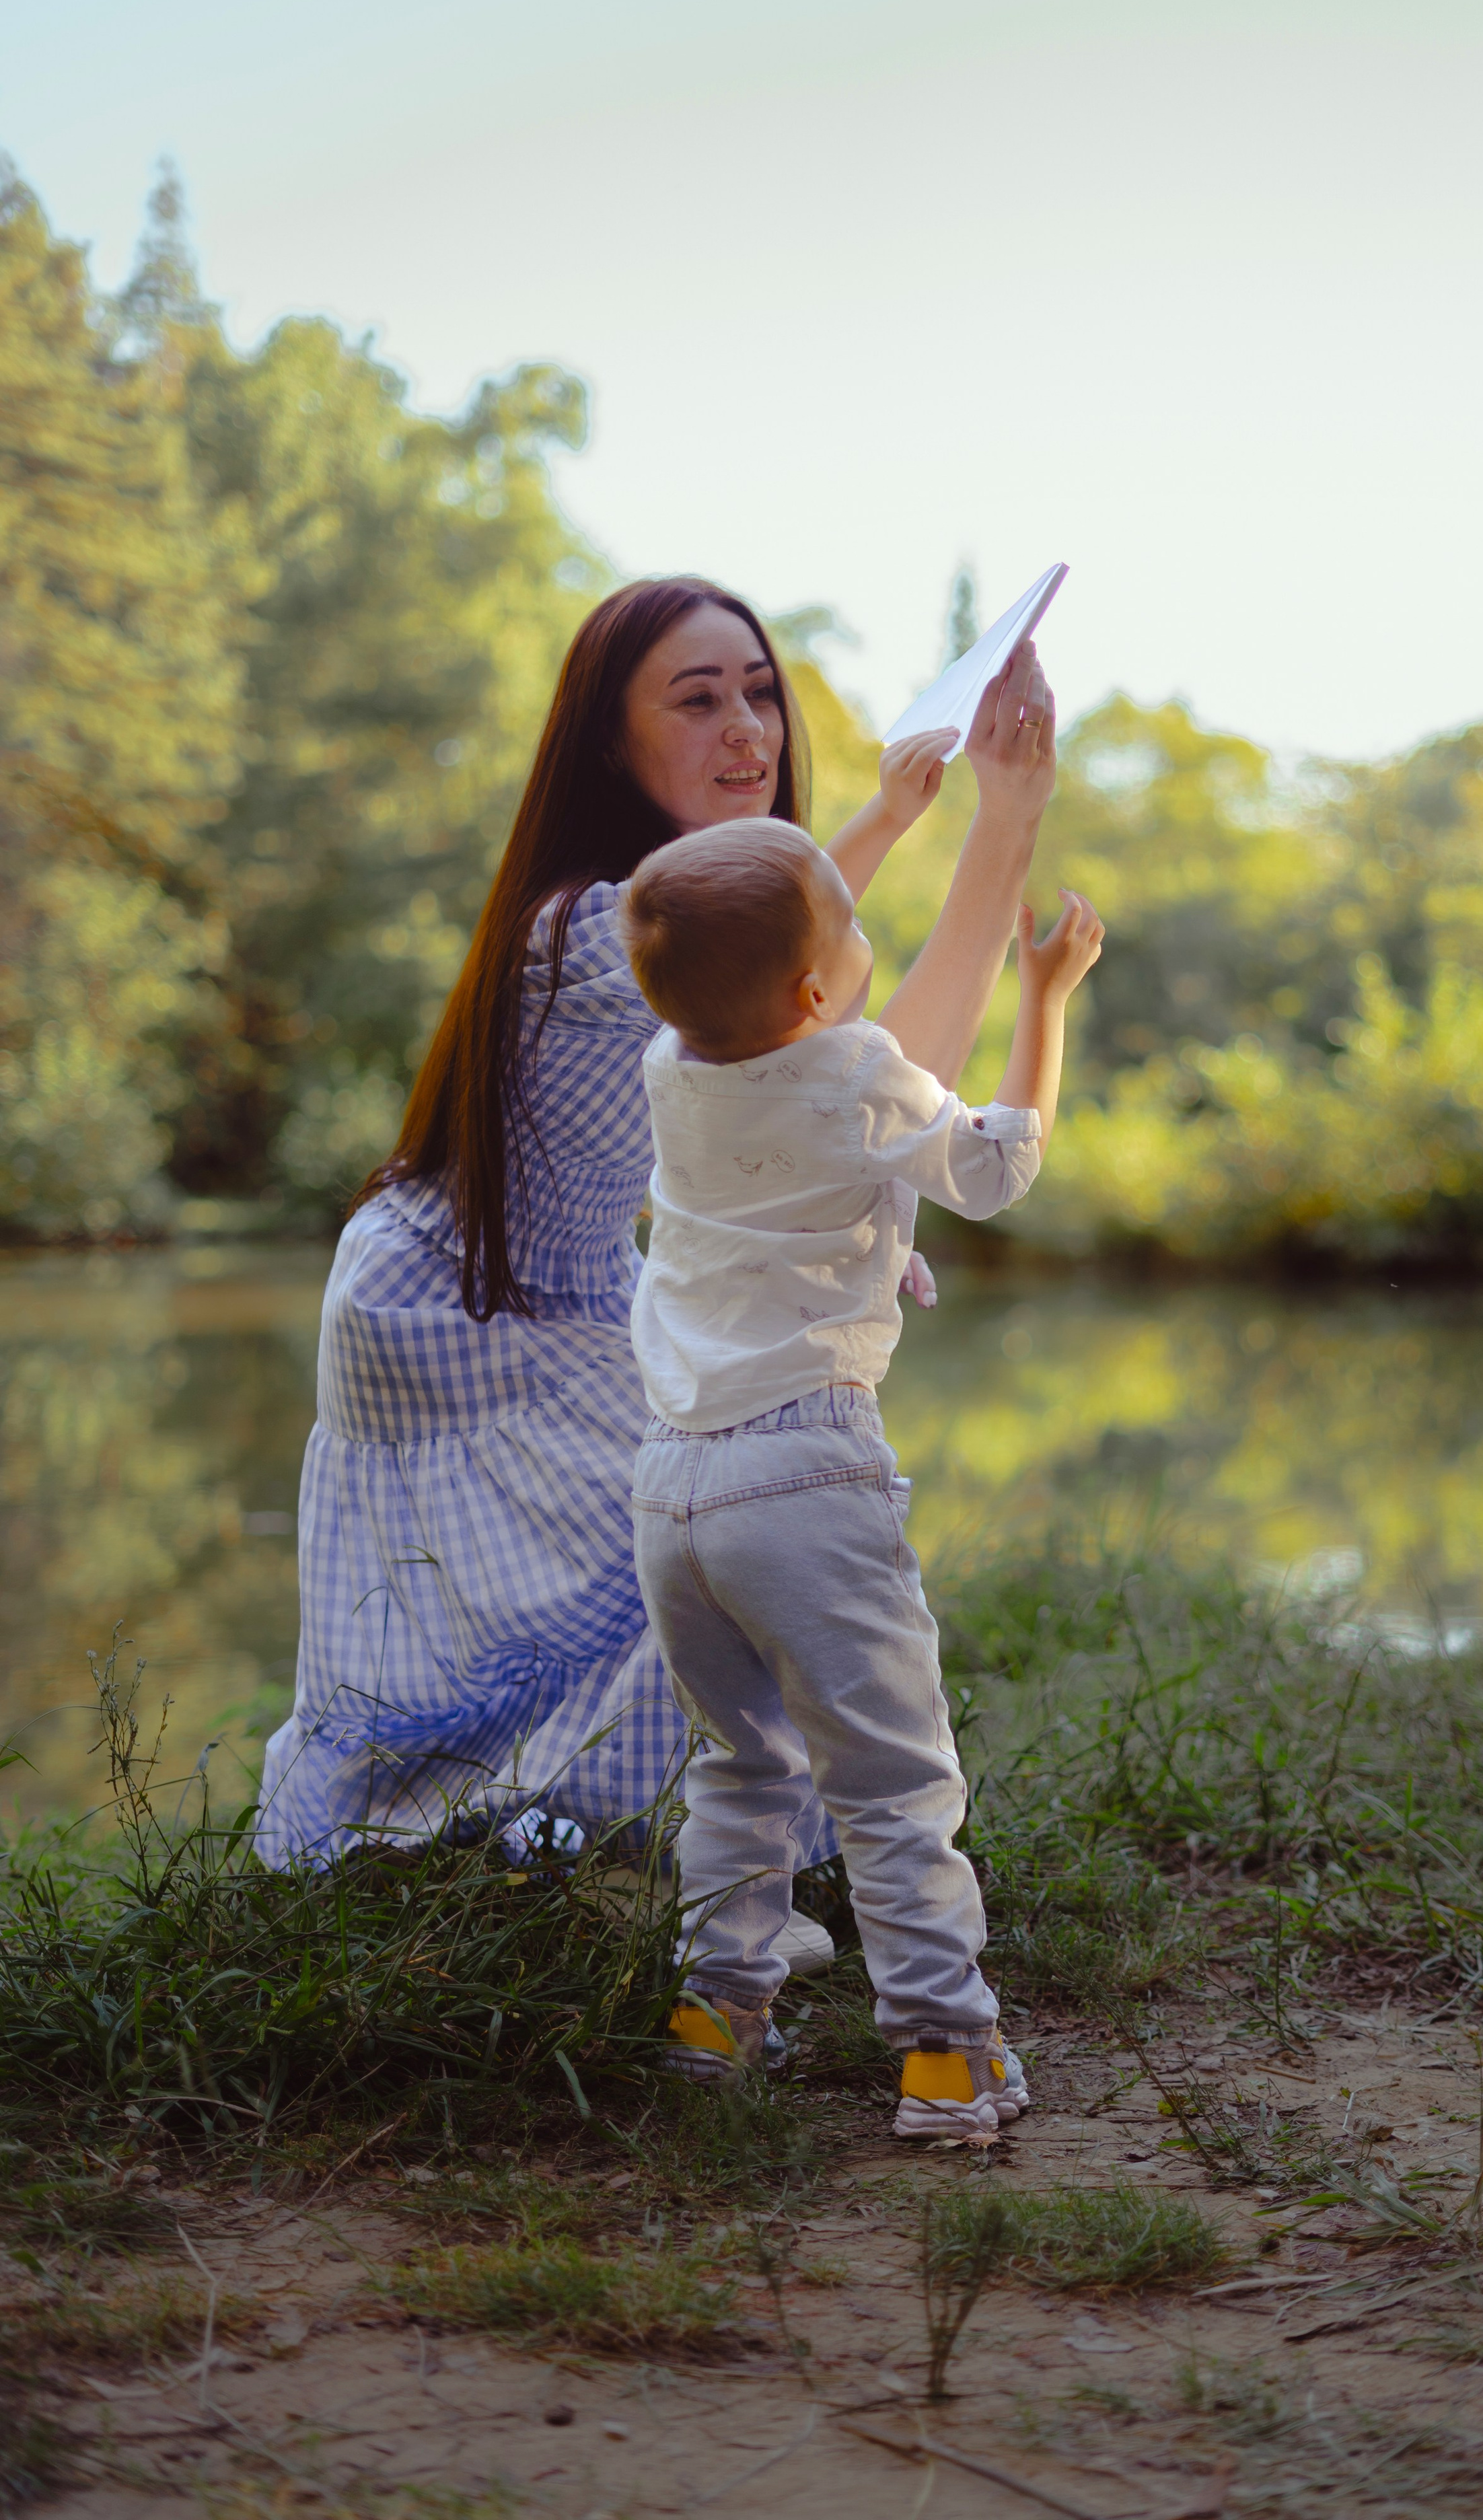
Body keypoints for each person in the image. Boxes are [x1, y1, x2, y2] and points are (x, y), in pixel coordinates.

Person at [254, 575, 1058, 1869]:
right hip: (454, 1299)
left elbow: (856, 1074)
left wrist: (969, 815)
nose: (748, 727)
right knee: (722, 1528)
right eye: (697, 700)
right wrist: (947, 820)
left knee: (725, 1534)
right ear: (608, 744)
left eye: (759, 693)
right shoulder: (587, 926)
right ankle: (557, 1842)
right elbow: (846, 1050)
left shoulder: (712, 930)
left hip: (566, 1281)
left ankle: (589, 1843)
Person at [623, 814, 1103, 2142]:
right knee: (892, 1784)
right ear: (814, 991)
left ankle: (716, 2015)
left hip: (670, 1487)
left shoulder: (672, 1064)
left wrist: (878, 1243)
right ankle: (946, 2054)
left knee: (740, 1760)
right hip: (802, 1473)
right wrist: (1045, 997)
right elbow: (994, 1164)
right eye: (847, 922)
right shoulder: (855, 1066)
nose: (865, 930)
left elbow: (764, 1186)